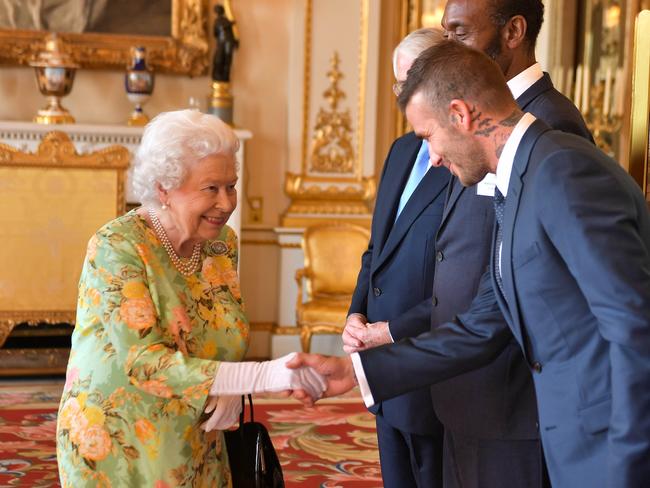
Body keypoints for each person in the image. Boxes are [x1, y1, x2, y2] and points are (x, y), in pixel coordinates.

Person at [289, 41, 650, 488]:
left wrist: (629, 468)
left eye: (428, 137)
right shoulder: (516, 180)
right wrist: (355, 371)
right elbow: (482, 326)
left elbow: (635, 331)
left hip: (607, 456)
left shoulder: (563, 171)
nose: (434, 159)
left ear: (460, 114)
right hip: (567, 445)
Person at [342, 1, 593, 486]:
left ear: (513, 31)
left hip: (509, 401)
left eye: (457, 36)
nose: (446, 52)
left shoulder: (548, 124)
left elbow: (514, 286)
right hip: (465, 389)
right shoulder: (484, 122)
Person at [56, 110, 325, 487]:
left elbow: (225, 332)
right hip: (121, 438)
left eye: (231, 186)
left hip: (197, 432)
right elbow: (144, 362)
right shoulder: (117, 246)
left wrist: (231, 386)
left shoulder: (220, 245)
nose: (227, 202)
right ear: (164, 188)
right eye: (210, 188)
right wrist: (261, 375)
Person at [342, 27, 449, 488]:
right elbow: (376, 251)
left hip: (431, 364)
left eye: (410, 82)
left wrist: (390, 330)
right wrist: (356, 313)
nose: (402, 96)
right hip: (381, 366)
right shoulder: (402, 150)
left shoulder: (464, 162)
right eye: (397, 84)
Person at [212, 4, 239, 82]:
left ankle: (223, 76)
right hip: (227, 42)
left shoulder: (219, 21)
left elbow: (215, 33)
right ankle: (223, 76)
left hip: (224, 42)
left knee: (223, 59)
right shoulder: (226, 21)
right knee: (225, 59)